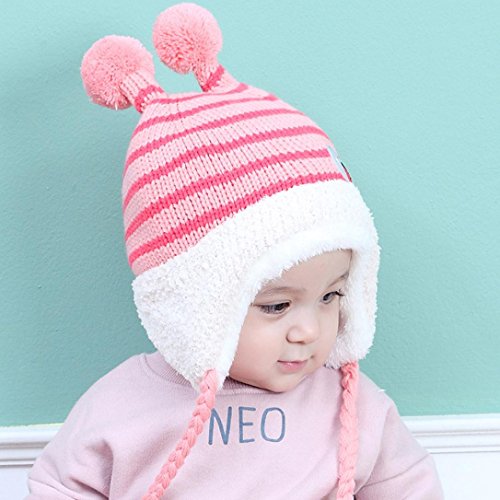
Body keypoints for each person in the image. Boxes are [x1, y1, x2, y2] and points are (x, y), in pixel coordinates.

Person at [26, 3, 444, 499]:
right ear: (190, 301)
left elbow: (410, 486)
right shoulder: (124, 405)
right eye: (276, 305)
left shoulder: (350, 405)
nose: (309, 331)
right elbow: (59, 486)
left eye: (330, 297)